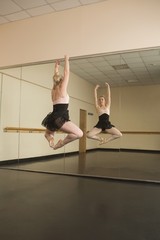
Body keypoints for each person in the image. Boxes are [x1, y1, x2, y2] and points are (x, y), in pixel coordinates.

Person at [42, 55, 83, 150]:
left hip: (52, 118)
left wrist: (56, 68)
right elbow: (67, 72)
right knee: (79, 134)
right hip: (60, 118)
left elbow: (55, 79)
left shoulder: (53, 91)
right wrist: (66, 60)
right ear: (61, 81)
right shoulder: (62, 89)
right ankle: (61, 143)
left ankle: (51, 140)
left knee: (47, 134)